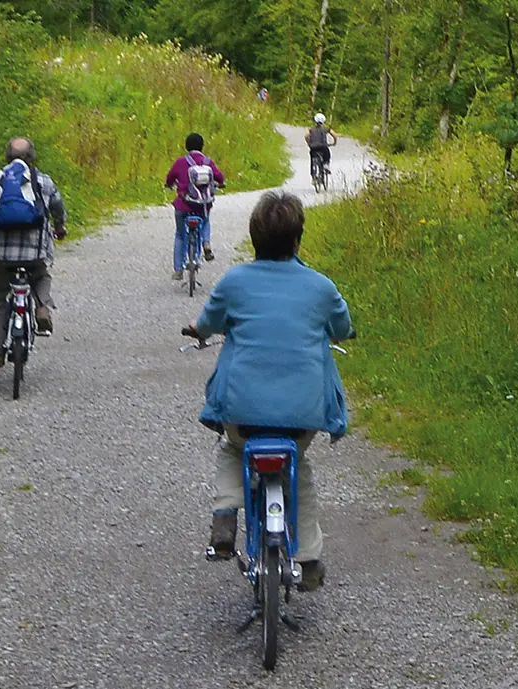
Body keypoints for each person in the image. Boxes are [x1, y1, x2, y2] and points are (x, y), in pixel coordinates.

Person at [184, 191, 354, 591]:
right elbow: (343, 327)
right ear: (297, 240)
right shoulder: (321, 287)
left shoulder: (234, 281)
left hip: (242, 413)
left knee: (232, 449)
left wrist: (197, 330)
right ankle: (308, 558)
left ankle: (225, 516)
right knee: (299, 474)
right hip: (302, 416)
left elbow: (208, 322)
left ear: (254, 237)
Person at [0, 137, 67, 368]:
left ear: (7, 156)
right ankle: (42, 307)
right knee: (42, 275)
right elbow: (58, 207)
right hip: (34, 255)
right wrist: (59, 227)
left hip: (2, 258)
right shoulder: (43, 182)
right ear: (32, 156)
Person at [165, 133, 226, 279]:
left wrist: (169, 185)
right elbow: (220, 177)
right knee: (205, 220)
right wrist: (221, 183)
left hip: (183, 206)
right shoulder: (207, 162)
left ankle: (178, 269)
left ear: (187, 147)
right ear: (202, 146)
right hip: (201, 206)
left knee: (180, 235)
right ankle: (206, 243)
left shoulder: (181, 162)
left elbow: (169, 178)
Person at [307, 113, 337, 178]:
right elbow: (334, 135)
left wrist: (308, 143)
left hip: (313, 147)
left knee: (312, 158)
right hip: (323, 146)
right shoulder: (326, 128)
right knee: (327, 152)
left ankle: (313, 175)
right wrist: (334, 142)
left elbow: (306, 136)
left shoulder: (311, 129)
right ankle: (326, 164)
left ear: (315, 120)